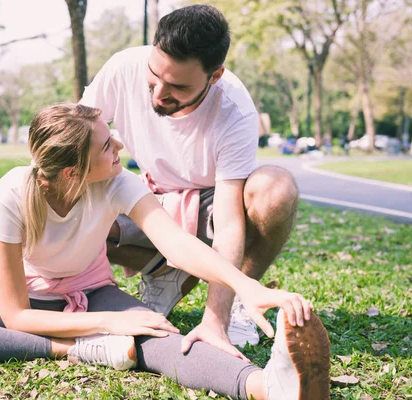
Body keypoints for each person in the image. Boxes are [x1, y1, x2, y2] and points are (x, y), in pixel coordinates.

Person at [0, 104, 331, 399]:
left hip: (91, 289)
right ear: (72, 171)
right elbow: (16, 316)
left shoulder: (115, 181)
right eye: (106, 144)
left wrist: (245, 285)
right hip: (31, 302)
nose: (119, 147)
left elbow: (176, 245)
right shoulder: (12, 191)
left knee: (160, 339)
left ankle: (264, 387)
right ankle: (74, 351)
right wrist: (107, 326)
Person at [80, 4, 304, 353]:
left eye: (177, 87)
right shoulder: (123, 67)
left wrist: (215, 319)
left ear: (214, 76)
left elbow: (230, 224)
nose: (157, 94)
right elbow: (75, 137)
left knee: (276, 188)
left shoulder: (234, 109)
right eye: (154, 77)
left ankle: (242, 299)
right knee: (79, 208)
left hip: (210, 213)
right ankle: (167, 272)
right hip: (150, 201)